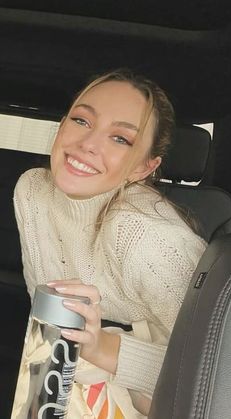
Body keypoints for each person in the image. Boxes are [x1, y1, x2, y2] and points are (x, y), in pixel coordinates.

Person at [13, 69, 206, 418]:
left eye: (121, 139)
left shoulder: (145, 234)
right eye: (81, 120)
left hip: (152, 399)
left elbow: (217, 369)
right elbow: (45, 321)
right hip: (63, 377)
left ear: (145, 167)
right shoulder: (32, 191)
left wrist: (101, 347)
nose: (89, 143)